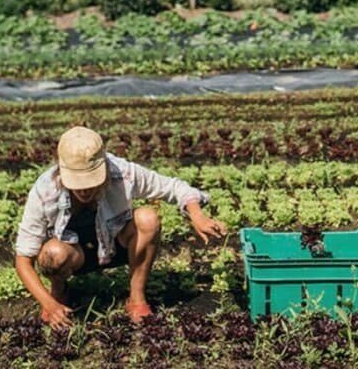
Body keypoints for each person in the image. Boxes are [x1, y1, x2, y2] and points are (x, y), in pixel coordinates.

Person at [14, 126, 226, 330]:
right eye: (78, 182)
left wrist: (197, 215)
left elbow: (174, 187)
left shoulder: (122, 173)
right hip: (73, 256)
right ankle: (59, 293)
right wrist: (48, 304)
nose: (86, 190)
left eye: (91, 180)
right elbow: (23, 259)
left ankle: (136, 298)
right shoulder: (44, 191)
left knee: (148, 219)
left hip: (115, 247)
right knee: (52, 254)